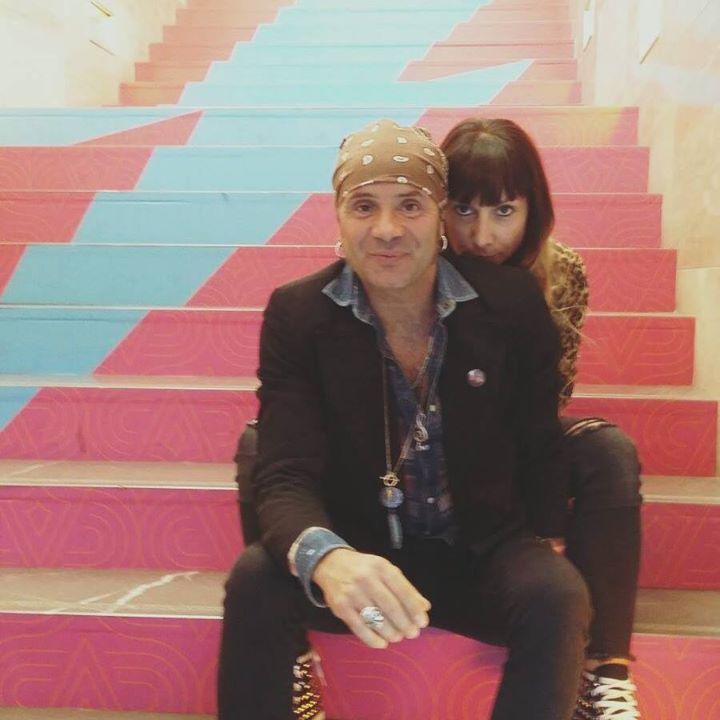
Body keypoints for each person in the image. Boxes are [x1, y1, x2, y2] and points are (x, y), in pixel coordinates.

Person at [217, 118, 591, 720]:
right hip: (359, 555)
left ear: (439, 215)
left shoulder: (509, 301)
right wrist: (329, 558)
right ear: (339, 216)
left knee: (557, 594)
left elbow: (537, 435)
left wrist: (544, 534)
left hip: (479, 551)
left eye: (410, 205)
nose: (387, 229)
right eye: (364, 206)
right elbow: (284, 473)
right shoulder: (298, 313)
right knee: (255, 577)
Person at [440, 117, 643, 720]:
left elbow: (548, 401)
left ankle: (603, 674)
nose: (481, 235)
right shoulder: (413, 264)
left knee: (607, 450)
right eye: (463, 209)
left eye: (503, 211)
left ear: (534, 209)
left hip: (517, 443)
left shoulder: (563, 272)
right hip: (425, 447)